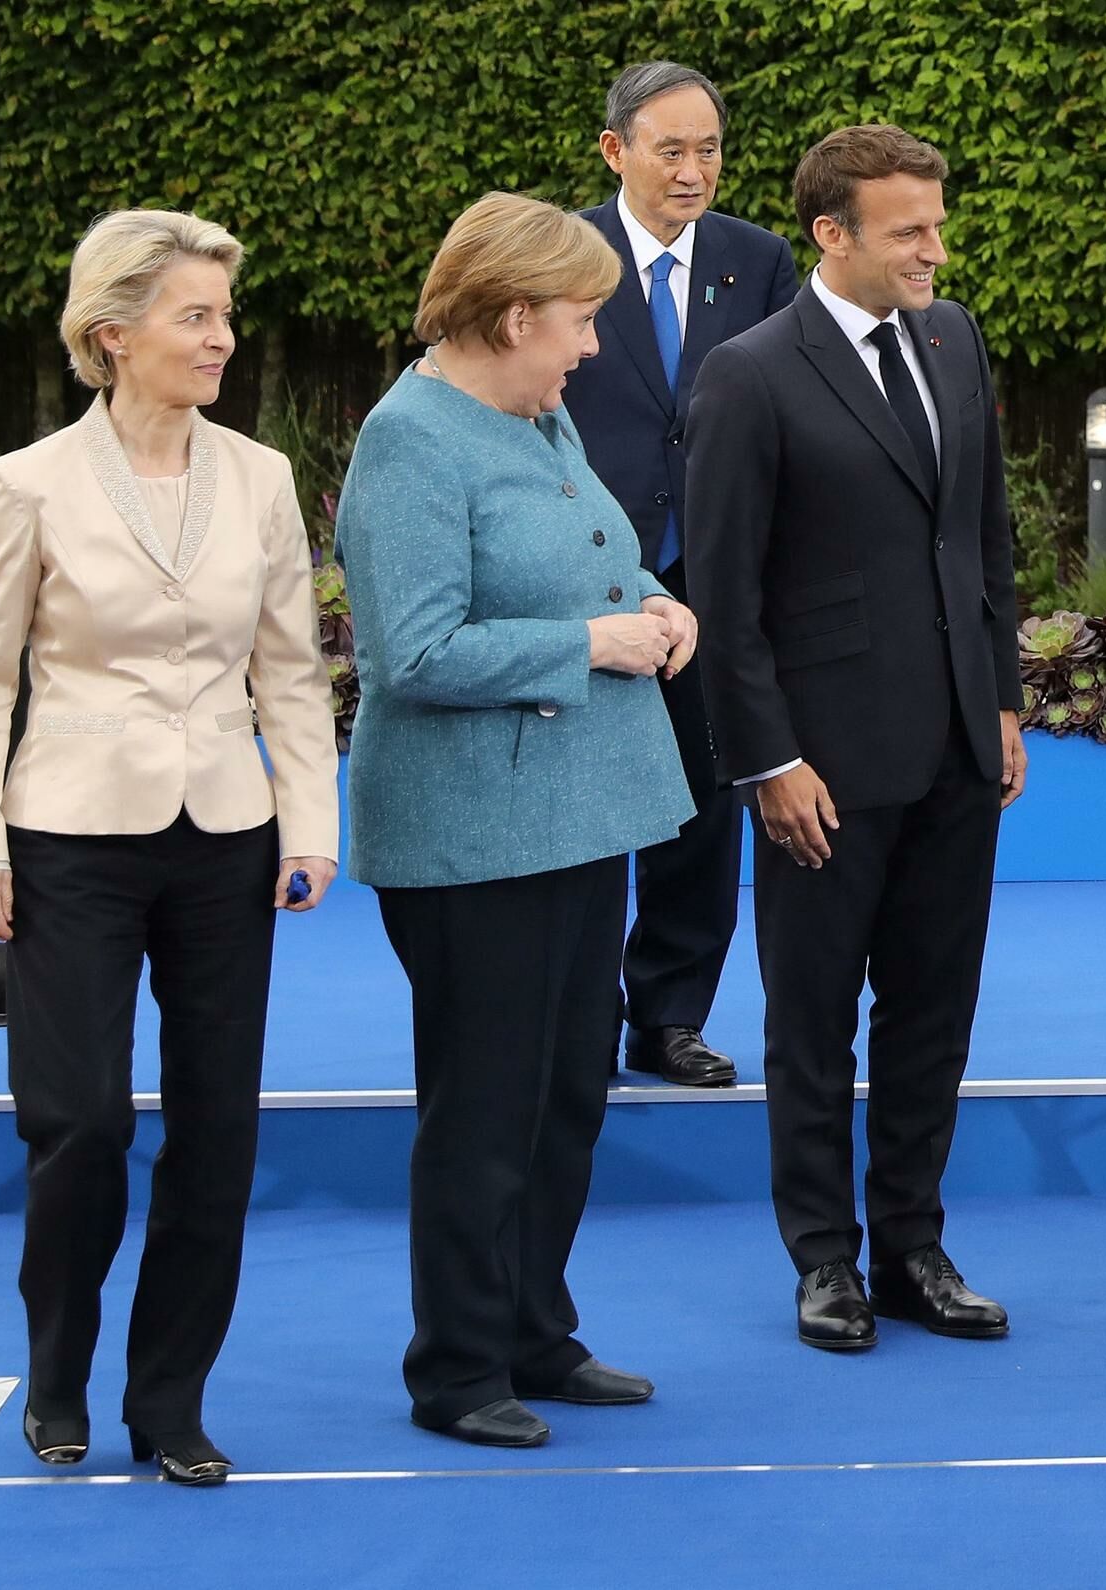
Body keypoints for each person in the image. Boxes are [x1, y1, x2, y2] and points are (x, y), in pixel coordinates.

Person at [0, 209, 339, 1485]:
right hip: (66, 836)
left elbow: (292, 667)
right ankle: (57, 1371)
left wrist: (311, 824)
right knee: (81, 1123)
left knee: (220, 1129)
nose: (223, 337)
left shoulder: (262, 476)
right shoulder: (29, 482)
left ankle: (170, 1402)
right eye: (196, 316)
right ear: (113, 335)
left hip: (227, 831)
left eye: (225, 314)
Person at [334, 192, 698, 1447]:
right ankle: (458, 1367)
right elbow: (413, 651)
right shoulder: (412, 442)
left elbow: (593, 553)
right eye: (582, 321)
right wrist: (592, 643)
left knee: (565, 1098)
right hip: (470, 831)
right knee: (486, 1107)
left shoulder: (532, 413)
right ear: (508, 315)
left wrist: (655, 603)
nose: (594, 346)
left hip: (582, 811)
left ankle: (536, 1331)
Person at [686, 124, 1026, 1352]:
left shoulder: (954, 337)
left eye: (937, 224)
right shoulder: (748, 372)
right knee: (813, 1017)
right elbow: (725, 597)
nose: (935, 250)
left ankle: (914, 1249)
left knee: (934, 1010)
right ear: (831, 236)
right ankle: (822, 1260)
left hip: (952, 749)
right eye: (909, 232)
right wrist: (766, 760)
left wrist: (998, 702)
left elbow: (981, 538)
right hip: (818, 766)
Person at [560, 61, 799, 1089]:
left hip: (712, 582)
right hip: (575, 577)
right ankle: (571, 1017)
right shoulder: (560, 255)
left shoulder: (761, 260)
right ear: (617, 150)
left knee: (701, 813)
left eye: (709, 149)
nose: (694, 170)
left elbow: (789, 411)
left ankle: (668, 1018)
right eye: (672, 149)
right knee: (577, 815)